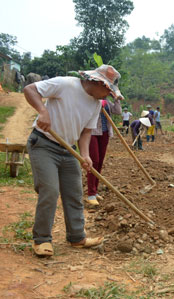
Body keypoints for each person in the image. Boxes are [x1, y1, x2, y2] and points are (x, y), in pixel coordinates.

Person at [23, 64, 123, 256]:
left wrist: (85, 155)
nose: (107, 95)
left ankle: (77, 237)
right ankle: (42, 239)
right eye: (107, 90)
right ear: (96, 81)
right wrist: (42, 111)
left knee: (74, 193)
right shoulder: (65, 84)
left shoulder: (95, 105)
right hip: (44, 143)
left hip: (68, 149)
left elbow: (86, 132)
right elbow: (30, 89)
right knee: (50, 190)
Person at [85, 98, 122, 206]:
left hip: (104, 133)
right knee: (94, 161)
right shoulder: (91, 98)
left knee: (100, 162)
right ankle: (90, 193)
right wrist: (99, 103)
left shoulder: (107, 101)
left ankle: (95, 191)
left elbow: (118, 111)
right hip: (91, 132)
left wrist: (117, 99)